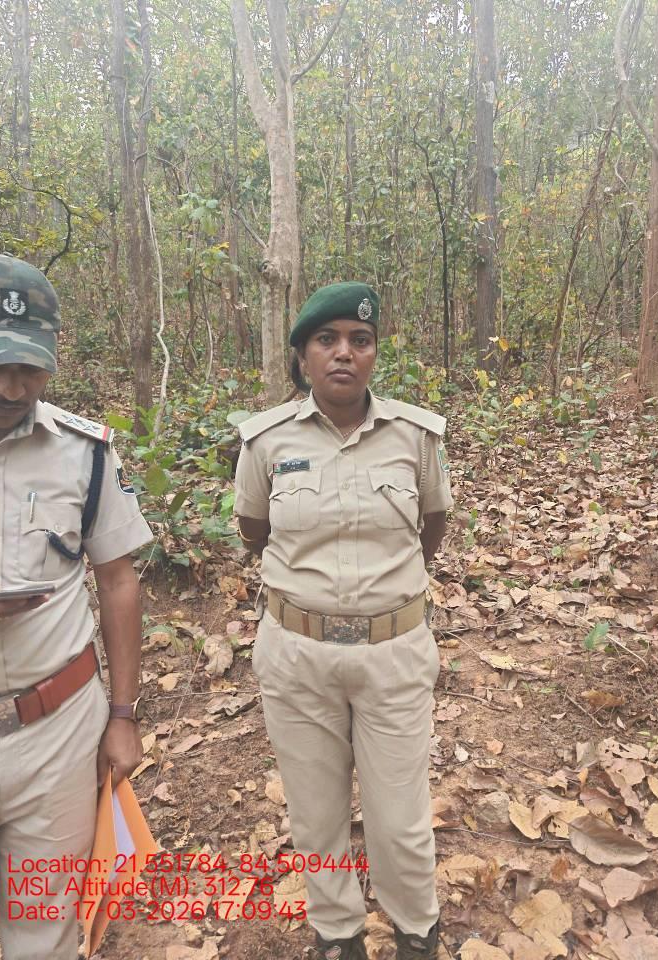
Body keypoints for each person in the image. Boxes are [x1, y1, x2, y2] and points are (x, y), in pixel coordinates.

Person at [234, 281, 453, 960]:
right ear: (301, 355)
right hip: (297, 656)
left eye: (360, 340)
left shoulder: (416, 437)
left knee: (401, 822)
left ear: (374, 354)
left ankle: (416, 932)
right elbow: (254, 528)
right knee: (316, 816)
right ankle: (337, 935)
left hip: (394, 654)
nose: (343, 353)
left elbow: (432, 525)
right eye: (326, 340)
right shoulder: (266, 441)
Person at [0, 254, 153, 960]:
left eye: (30, 367)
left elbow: (118, 580)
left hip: (55, 732)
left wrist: (123, 716)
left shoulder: (84, 453)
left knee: (45, 927)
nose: (13, 386)